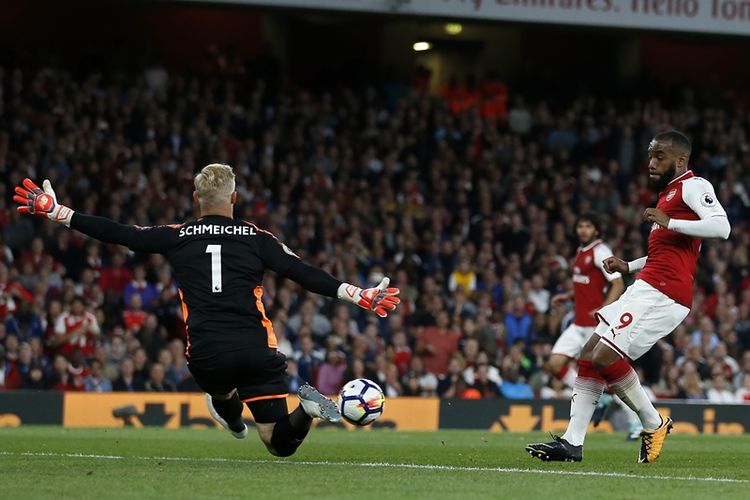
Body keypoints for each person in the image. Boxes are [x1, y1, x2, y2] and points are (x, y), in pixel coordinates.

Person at [14, 163, 400, 457]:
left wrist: (59, 212)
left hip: (207, 351)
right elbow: (301, 272)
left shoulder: (178, 235)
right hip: (256, 350)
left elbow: (121, 233)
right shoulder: (257, 238)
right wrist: (357, 295)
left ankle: (232, 420)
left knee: (220, 389)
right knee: (278, 443)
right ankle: (308, 411)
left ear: (197, 200)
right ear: (233, 199)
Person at [527, 130, 730, 463]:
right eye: (650, 155)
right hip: (647, 285)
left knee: (605, 355)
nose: (651, 162)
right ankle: (572, 442)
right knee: (591, 352)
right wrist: (628, 266)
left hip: (665, 294)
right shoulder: (667, 195)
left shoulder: (694, 186)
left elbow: (722, 227)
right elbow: (664, 255)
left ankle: (653, 422)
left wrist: (672, 222)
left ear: (680, 159)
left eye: (659, 156)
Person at [547, 214, 624, 389]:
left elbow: (618, 284)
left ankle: (627, 410)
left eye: (588, 226)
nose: (583, 230)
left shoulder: (600, 251)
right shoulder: (581, 252)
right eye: (580, 226)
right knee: (554, 364)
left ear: (596, 230)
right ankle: (596, 395)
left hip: (595, 327)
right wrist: (567, 296)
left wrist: (604, 310)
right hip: (578, 324)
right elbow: (585, 283)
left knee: (605, 373)